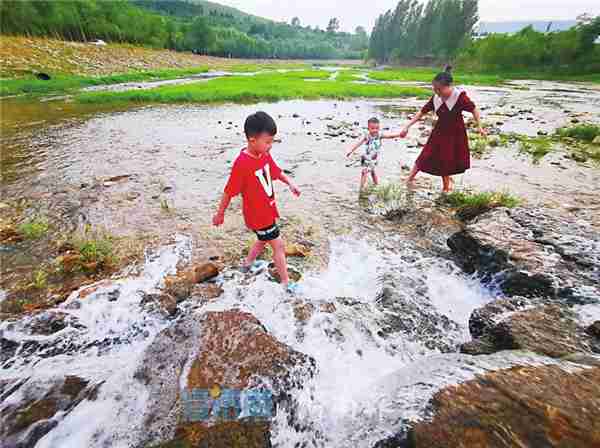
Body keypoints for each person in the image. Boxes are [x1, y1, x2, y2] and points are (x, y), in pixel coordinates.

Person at [212, 111, 301, 293]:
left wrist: (290, 183)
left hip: (267, 210)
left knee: (262, 240)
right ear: (252, 140)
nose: (270, 146)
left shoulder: (264, 154)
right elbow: (229, 191)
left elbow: (276, 172)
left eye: (272, 141)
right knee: (278, 245)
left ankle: (247, 264)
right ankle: (285, 283)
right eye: (267, 142)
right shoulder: (242, 164)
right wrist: (220, 213)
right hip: (257, 215)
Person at [400, 66, 486, 193]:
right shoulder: (436, 98)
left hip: (455, 134)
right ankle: (409, 179)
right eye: (434, 89)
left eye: (439, 89)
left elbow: (474, 109)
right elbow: (422, 112)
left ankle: (446, 188)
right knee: (425, 155)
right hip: (439, 131)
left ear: (449, 86)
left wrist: (479, 126)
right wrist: (407, 126)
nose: (437, 92)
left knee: (446, 160)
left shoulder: (459, 97)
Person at [346, 117, 403, 192]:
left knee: (368, 172)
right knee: (367, 172)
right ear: (368, 128)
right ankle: (370, 186)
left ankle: (364, 188)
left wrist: (399, 135)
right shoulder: (367, 136)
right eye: (372, 128)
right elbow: (359, 143)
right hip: (366, 157)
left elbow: (390, 136)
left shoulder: (379, 135)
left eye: (377, 128)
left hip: (373, 158)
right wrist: (351, 150)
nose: (375, 130)